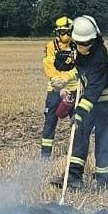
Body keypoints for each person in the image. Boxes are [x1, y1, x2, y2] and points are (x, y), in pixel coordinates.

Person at [59, 15, 108, 191]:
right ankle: (74, 176)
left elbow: (95, 88)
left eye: (87, 43)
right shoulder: (76, 47)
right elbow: (73, 67)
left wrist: (79, 111)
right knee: (80, 131)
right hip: (90, 93)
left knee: (103, 136)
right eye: (80, 43)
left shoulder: (100, 56)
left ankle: (102, 181)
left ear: (95, 39)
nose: (83, 47)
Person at [39, 15, 77, 158]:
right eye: (62, 32)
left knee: (77, 123)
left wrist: (66, 78)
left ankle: (76, 155)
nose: (66, 35)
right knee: (50, 122)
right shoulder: (50, 47)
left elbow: (79, 67)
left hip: (74, 89)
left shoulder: (77, 47)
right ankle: (45, 156)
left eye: (68, 32)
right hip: (55, 89)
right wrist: (56, 80)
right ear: (57, 32)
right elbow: (48, 65)